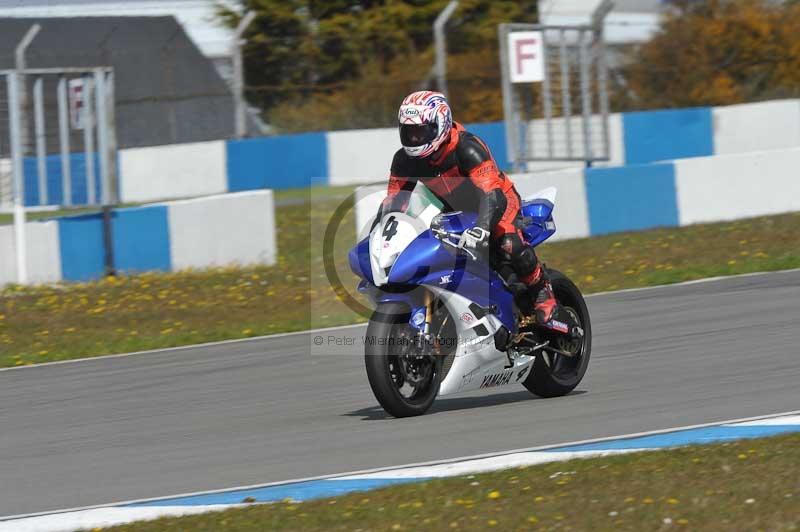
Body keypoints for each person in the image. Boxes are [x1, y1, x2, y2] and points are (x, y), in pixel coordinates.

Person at [372, 90, 556, 324]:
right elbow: (394, 203)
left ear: (441, 124)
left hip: (497, 202)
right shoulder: (404, 160)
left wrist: (482, 227)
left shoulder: (467, 148)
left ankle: (542, 291)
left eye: (421, 131)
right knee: (435, 254)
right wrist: (378, 238)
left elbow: (492, 194)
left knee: (508, 242)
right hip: (454, 211)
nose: (415, 139)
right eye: (409, 132)